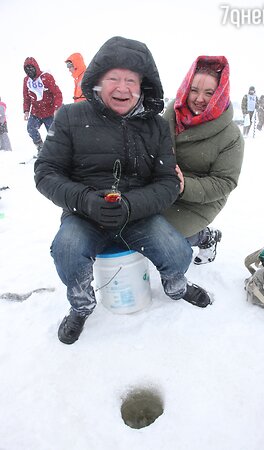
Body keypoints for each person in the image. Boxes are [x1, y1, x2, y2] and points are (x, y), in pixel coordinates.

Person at [34, 36, 212, 346]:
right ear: (97, 80)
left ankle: (176, 285)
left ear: (143, 86)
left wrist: (131, 205)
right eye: (113, 78)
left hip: (139, 214)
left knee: (177, 251)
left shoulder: (156, 127)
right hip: (84, 215)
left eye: (131, 80)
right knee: (67, 249)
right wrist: (86, 201)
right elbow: (46, 172)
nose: (122, 87)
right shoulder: (70, 117)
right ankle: (81, 304)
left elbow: (168, 182)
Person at [163, 56, 244, 265]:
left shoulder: (231, 135)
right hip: (163, 186)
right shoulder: (171, 114)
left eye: (209, 93)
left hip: (200, 199)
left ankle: (206, 237)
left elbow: (225, 182)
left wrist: (184, 185)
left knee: (161, 232)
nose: (199, 98)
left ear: (220, 94)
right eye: (194, 90)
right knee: (138, 223)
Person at [23, 57, 63, 154]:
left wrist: (57, 108)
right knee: (31, 128)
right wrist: (26, 110)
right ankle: (40, 148)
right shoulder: (26, 81)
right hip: (35, 112)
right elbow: (26, 97)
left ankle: (56, 152)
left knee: (53, 134)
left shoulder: (46, 77)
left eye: (31, 68)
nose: (29, 71)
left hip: (49, 112)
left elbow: (57, 93)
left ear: (36, 67)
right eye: (26, 69)